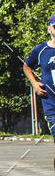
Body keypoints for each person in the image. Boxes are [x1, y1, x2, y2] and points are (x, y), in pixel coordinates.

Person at [24, 15, 55, 166]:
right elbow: (27, 66)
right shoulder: (41, 50)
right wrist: (35, 84)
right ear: (50, 29)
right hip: (52, 106)